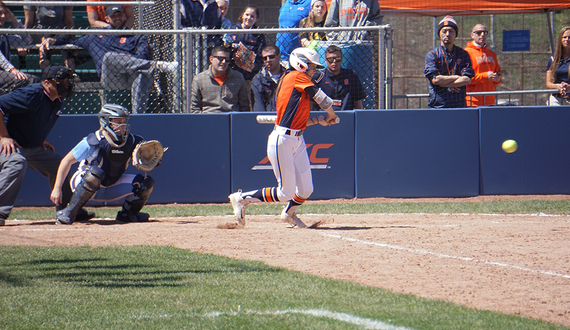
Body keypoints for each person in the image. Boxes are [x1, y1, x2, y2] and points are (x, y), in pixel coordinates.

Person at [228, 47, 339, 228]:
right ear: (301, 63)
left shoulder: (298, 82)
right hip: (282, 140)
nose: (314, 71)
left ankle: (289, 214)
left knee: (306, 189)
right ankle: (241, 198)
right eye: (311, 66)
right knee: (285, 192)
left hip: (297, 138)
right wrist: (332, 115)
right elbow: (323, 99)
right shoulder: (296, 76)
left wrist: (320, 120)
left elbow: (299, 122)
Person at [41, 6, 178, 113]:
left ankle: (138, 116)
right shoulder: (94, 36)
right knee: (109, 57)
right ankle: (157, 65)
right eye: (114, 16)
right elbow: (72, 43)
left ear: (125, 16)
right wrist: (53, 40)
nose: (117, 18)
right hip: (110, 78)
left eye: (120, 14)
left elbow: (142, 57)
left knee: (143, 73)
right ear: (107, 19)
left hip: (131, 76)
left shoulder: (136, 36)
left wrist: (125, 60)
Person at [0, 65, 91, 226]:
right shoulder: (31, 94)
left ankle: (69, 210)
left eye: (67, 81)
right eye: (62, 81)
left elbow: (36, 119)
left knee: (60, 165)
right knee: (16, 163)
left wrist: (40, 137)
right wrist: (4, 136)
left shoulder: (57, 99)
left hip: (31, 145)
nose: (66, 84)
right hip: (9, 143)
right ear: (47, 83)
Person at [51, 104, 157, 224]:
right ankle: (69, 212)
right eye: (118, 122)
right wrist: (57, 188)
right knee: (95, 174)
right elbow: (66, 161)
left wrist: (151, 160)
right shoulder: (93, 140)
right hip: (84, 182)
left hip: (112, 185)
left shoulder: (132, 141)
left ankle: (127, 214)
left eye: (124, 122)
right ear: (106, 122)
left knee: (146, 183)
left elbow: (147, 158)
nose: (123, 126)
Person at [424, 16, 474, 108]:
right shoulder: (432, 55)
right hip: (437, 106)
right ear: (439, 33)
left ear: (456, 34)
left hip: (459, 105)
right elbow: (436, 79)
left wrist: (445, 84)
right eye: (444, 31)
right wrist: (456, 77)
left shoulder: (463, 54)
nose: (447, 34)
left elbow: (467, 79)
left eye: (451, 31)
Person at [191, 45, 249, 113]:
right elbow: (194, 108)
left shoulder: (238, 77)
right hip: (209, 118)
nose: (224, 62)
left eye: (227, 60)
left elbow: (244, 106)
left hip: (232, 118)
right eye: (220, 59)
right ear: (211, 59)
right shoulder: (199, 79)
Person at [23, 4, 75, 70]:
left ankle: (71, 74)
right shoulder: (32, 1)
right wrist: (24, 41)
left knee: (64, 36)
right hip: (39, 31)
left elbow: (69, 22)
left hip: (60, 31)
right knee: (45, 38)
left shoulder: (65, 1)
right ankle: (45, 75)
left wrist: (73, 40)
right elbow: (28, 23)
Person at [314, 45, 366, 110]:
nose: (334, 62)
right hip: (324, 116)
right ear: (325, 61)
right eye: (330, 59)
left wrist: (360, 117)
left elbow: (358, 101)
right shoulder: (319, 77)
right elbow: (312, 102)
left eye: (337, 59)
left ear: (341, 60)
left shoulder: (351, 75)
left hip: (347, 115)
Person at [0, 3, 37, 92]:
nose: (3, 16)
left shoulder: (3, 36)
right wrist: (11, 69)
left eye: (5, 13)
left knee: (33, 81)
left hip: (4, 74)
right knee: (31, 81)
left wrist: (14, 21)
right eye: (0, 13)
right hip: (4, 73)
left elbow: (26, 41)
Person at [224, 6, 266, 82]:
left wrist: (255, 66)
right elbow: (225, 49)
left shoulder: (259, 34)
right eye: (247, 14)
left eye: (252, 16)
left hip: (250, 73)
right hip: (233, 69)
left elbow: (261, 54)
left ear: (257, 19)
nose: (249, 18)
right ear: (242, 15)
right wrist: (232, 54)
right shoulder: (232, 30)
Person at [465, 23, 502, 107]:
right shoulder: (466, 53)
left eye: (485, 33)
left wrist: (497, 78)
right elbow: (465, 78)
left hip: (490, 101)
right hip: (472, 102)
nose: (482, 35)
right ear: (472, 35)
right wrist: (485, 76)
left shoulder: (491, 54)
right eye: (478, 32)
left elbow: (498, 74)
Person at [251, 45, 287, 112]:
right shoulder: (258, 79)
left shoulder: (288, 77)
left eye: (271, 57)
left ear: (279, 57)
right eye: (265, 58)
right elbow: (259, 106)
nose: (268, 60)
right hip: (268, 118)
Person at [546, 26, 570, 106]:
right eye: (564, 37)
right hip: (556, 99)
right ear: (560, 39)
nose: (567, 39)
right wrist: (558, 86)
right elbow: (548, 83)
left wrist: (568, 87)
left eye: (569, 37)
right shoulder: (553, 60)